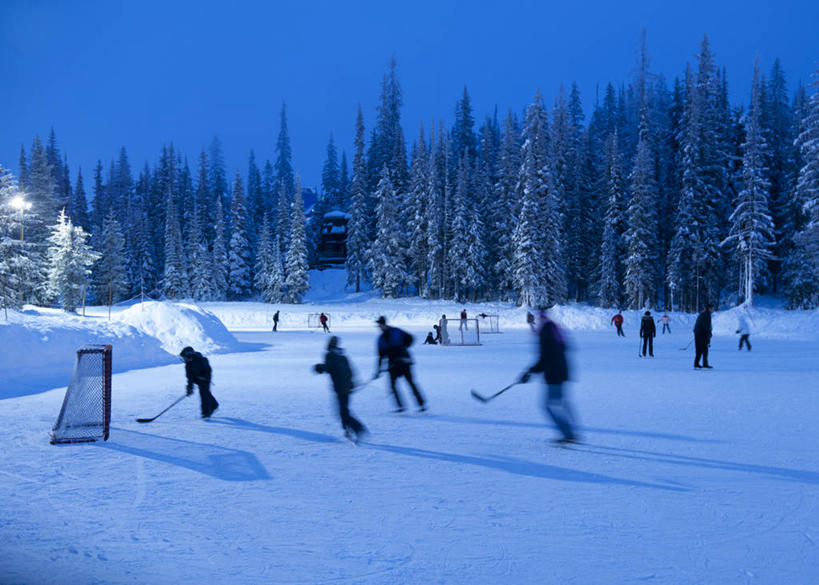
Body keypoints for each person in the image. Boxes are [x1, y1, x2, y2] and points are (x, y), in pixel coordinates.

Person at [519, 308, 578, 444]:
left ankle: (569, 434)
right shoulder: (551, 328)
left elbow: (545, 358)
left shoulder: (546, 331)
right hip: (561, 372)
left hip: (554, 374)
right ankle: (572, 431)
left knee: (548, 405)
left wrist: (529, 373)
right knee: (560, 403)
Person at [314, 336, 368, 443]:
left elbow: (329, 368)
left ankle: (358, 428)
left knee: (343, 412)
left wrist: (319, 367)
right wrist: (352, 383)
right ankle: (347, 430)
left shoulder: (330, 355)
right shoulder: (342, 355)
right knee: (343, 410)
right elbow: (350, 370)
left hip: (340, 387)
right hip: (346, 386)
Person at [375, 316, 427, 413]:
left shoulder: (396, 331)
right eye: (379, 325)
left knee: (410, 383)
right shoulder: (381, 339)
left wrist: (402, 348)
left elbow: (411, 338)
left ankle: (421, 404)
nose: (380, 326)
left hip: (404, 362)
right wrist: (378, 370)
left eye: (380, 324)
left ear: (384, 324)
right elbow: (380, 356)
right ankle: (400, 407)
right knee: (393, 386)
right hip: (393, 365)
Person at [180, 346, 219, 419]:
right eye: (183, 358)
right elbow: (189, 377)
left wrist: (204, 379)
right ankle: (214, 405)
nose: (184, 359)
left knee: (204, 393)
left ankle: (206, 413)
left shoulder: (202, 360)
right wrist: (189, 388)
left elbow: (208, 371)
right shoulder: (188, 365)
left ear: (190, 355)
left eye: (185, 357)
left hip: (205, 380)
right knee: (206, 393)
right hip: (197, 380)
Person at [693, 305, 715, 369]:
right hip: (701, 333)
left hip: (698, 332)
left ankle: (696, 363)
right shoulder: (706, 315)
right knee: (704, 349)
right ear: (709, 309)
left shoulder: (703, 313)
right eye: (712, 308)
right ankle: (704, 364)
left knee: (699, 349)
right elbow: (706, 326)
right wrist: (708, 334)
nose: (713, 310)